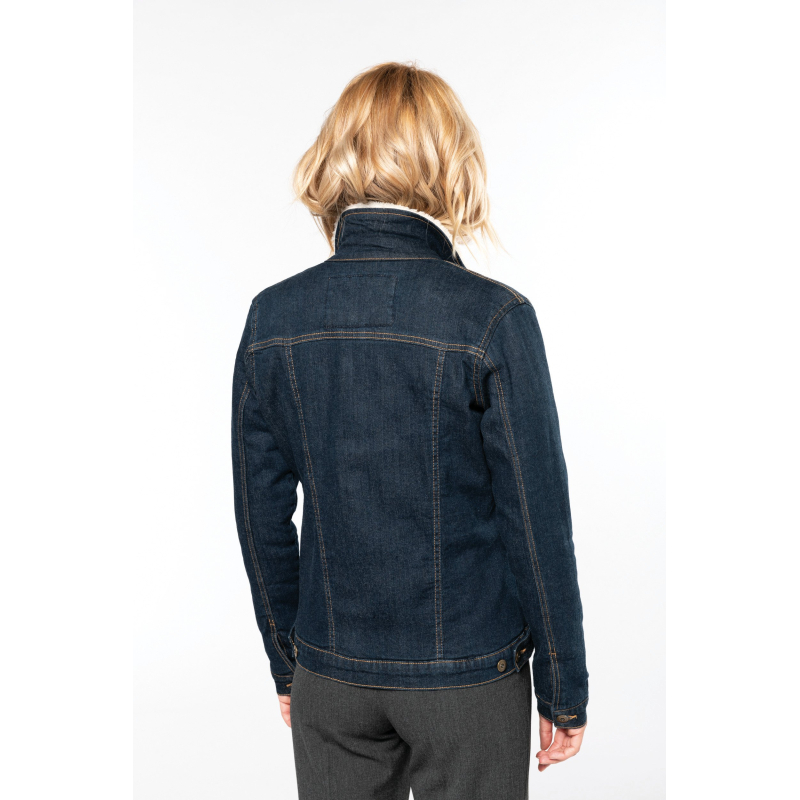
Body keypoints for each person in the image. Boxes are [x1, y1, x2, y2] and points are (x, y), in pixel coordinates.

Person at [231, 61, 588, 799]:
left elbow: (259, 514)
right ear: (451, 159)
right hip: (467, 681)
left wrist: (290, 662)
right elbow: (536, 519)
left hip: (332, 674)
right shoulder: (493, 318)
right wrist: (563, 685)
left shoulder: (274, 318)